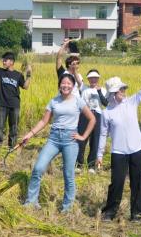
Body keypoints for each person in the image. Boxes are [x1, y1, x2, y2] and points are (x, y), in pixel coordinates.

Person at [97, 62, 141, 220]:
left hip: (138, 150)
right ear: (112, 93)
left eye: (123, 89)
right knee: (116, 183)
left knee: (138, 182)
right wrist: (99, 155)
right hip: (118, 152)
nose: (123, 91)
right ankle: (110, 212)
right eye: (120, 89)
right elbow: (102, 134)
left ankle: (138, 214)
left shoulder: (132, 101)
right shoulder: (107, 113)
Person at [20, 73, 96, 213]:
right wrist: (29, 135)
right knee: (38, 168)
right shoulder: (54, 101)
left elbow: (92, 119)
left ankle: (67, 208)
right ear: (59, 85)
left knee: (68, 174)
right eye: (63, 83)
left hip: (70, 140)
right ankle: (31, 202)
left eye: (69, 83)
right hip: (54, 139)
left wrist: (83, 136)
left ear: (73, 86)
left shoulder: (78, 101)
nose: (66, 85)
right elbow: (44, 121)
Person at [0, 44, 31, 147]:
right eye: (3, 60)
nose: (3, 62)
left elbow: (25, 86)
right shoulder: (0, 72)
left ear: (12, 62)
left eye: (5, 60)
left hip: (14, 104)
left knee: (14, 126)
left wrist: (29, 75)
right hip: (2, 103)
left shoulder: (18, 75)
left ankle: (12, 146)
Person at [77, 70, 108, 172]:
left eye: (95, 78)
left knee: (95, 141)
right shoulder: (84, 88)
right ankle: (78, 164)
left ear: (98, 78)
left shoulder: (103, 90)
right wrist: (75, 68)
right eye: (91, 78)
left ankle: (91, 166)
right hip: (85, 114)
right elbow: (77, 78)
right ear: (88, 79)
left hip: (97, 115)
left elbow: (105, 103)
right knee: (81, 139)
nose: (93, 80)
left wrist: (99, 91)